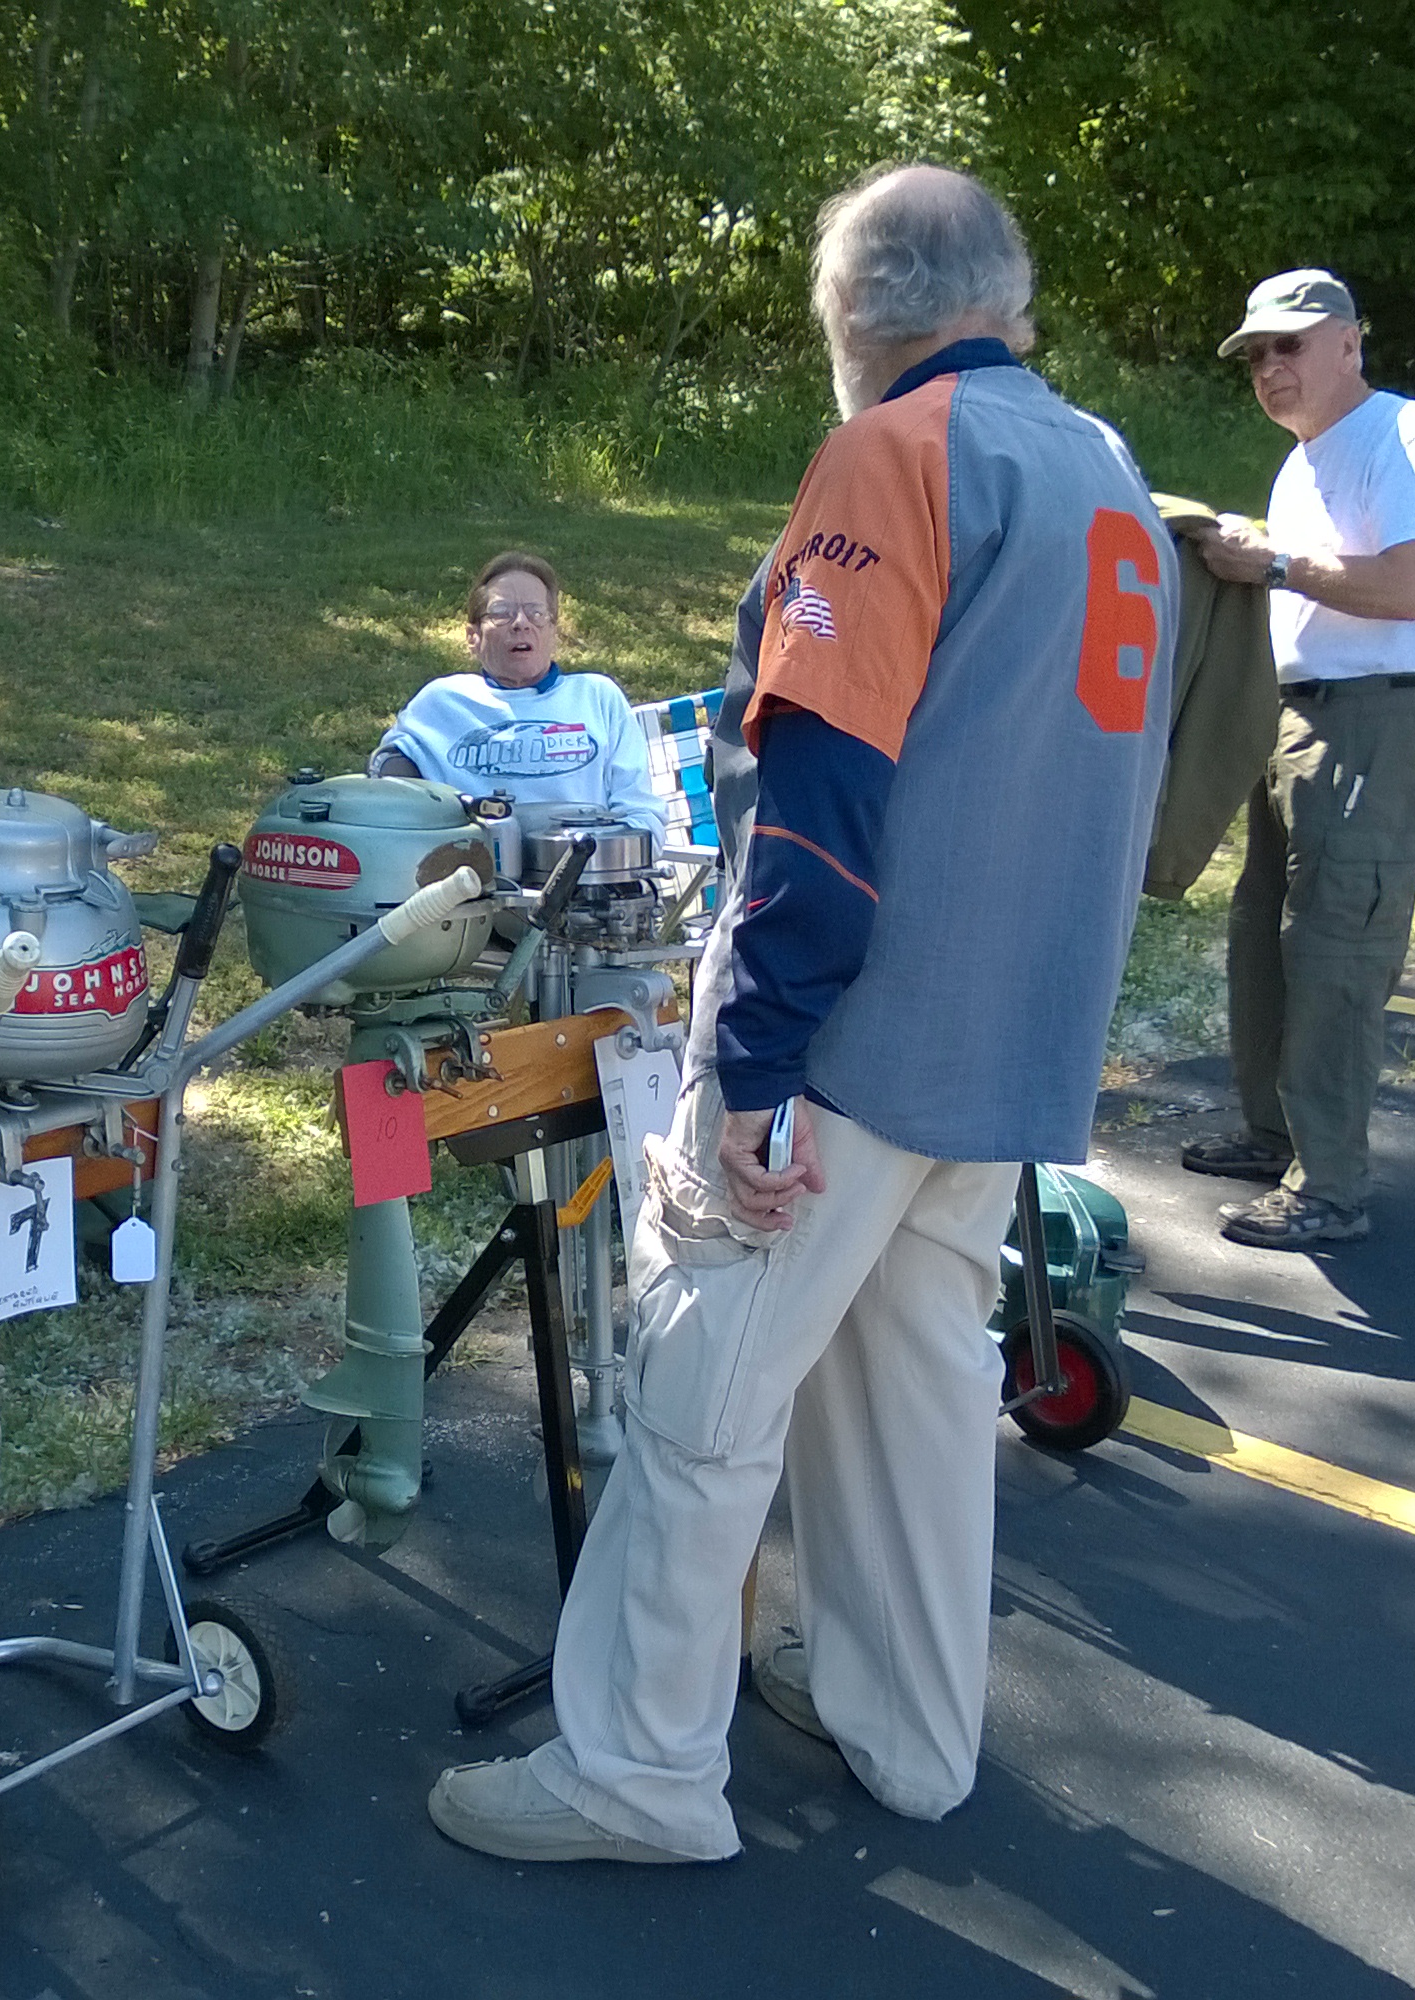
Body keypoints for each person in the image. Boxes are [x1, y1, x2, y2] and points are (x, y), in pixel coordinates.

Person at [421, 163, 1172, 1866]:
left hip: (853, 1042)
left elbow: (822, 798)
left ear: (856, 309)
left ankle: (635, 1771)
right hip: (1013, 1041)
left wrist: (750, 1062)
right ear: (1007, 299)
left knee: (702, 1396)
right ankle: (909, 1731)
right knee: (918, 1402)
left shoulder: (894, 455)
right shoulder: (1106, 469)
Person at [1181, 269, 1415, 1250]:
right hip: (1297, 720)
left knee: (1338, 953)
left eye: (1290, 345)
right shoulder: (1303, 463)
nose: (1270, 367)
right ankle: (1275, 1137)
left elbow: (1404, 587)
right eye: (1256, 354)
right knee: (1265, 939)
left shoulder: (1406, 434)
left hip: (1374, 724)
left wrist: (1271, 563)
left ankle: (1332, 1187)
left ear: (1349, 342)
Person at [371, 552, 666, 831]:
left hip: (583, 860)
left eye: (536, 613)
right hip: (471, 863)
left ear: (553, 632)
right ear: (473, 637)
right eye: (502, 613)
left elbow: (640, 812)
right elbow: (384, 785)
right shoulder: (440, 703)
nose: (521, 624)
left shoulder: (598, 697)